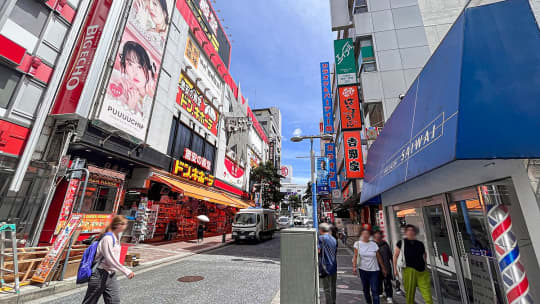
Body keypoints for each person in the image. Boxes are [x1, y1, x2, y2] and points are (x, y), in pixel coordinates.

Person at [82, 215, 135, 304]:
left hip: (110, 274)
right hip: (100, 273)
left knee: (114, 301)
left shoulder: (116, 237)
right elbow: (110, 258)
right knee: (90, 301)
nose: (126, 226)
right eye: (125, 224)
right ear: (119, 225)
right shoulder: (108, 238)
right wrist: (126, 271)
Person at [393, 224, 433, 304]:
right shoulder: (401, 243)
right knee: (410, 295)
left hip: (422, 272)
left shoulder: (420, 243)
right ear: (406, 232)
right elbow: (395, 256)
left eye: (412, 230)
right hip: (409, 271)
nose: (410, 232)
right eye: (408, 230)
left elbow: (424, 254)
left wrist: (425, 265)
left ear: (415, 232)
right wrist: (395, 269)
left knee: (428, 296)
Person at [353, 229, 387, 304]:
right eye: (363, 234)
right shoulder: (357, 244)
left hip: (374, 270)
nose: (365, 235)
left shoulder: (374, 244)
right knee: (366, 289)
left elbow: (379, 257)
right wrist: (354, 267)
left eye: (367, 234)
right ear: (361, 235)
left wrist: (383, 268)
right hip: (363, 270)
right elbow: (355, 256)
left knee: (375, 289)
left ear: (370, 235)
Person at [318, 223, 338, 304]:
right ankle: (333, 302)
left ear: (321, 230)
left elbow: (318, 250)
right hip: (334, 266)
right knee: (333, 287)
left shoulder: (321, 238)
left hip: (325, 267)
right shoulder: (333, 239)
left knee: (326, 289)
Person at [373, 230, 393, 303]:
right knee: (378, 281)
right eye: (376, 234)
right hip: (376, 267)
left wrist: (393, 265)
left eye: (379, 234)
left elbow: (390, 255)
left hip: (386, 266)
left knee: (387, 281)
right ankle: (380, 292)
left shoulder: (385, 244)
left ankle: (389, 296)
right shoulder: (372, 245)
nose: (378, 236)